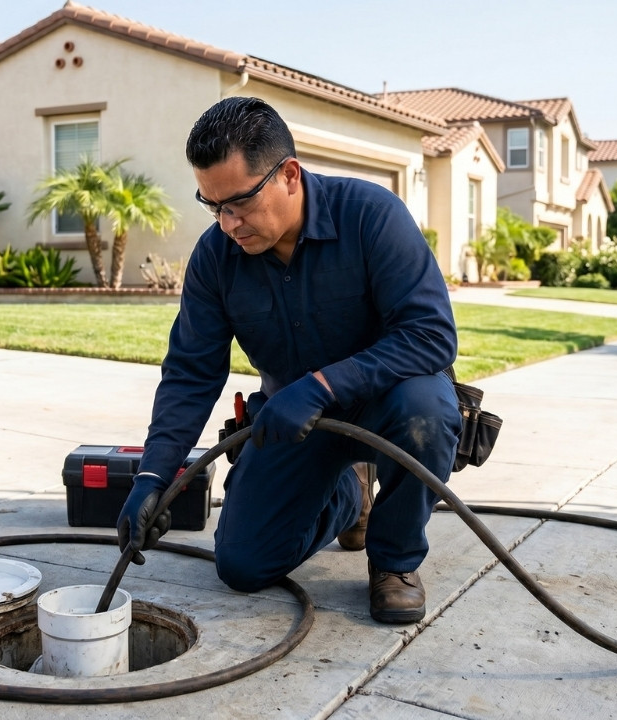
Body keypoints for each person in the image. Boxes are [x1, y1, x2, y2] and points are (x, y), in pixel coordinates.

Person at [116, 96, 461, 624]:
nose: (228, 223)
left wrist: (321, 385)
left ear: (290, 176)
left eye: (240, 203)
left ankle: (395, 561)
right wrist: (152, 476)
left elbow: (431, 334)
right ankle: (349, 496)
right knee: (243, 565)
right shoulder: (215, 258)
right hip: (291, 423)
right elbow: (190, 372)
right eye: (213, 206)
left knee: (427, 411)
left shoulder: (371, 215)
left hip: (388, 407)